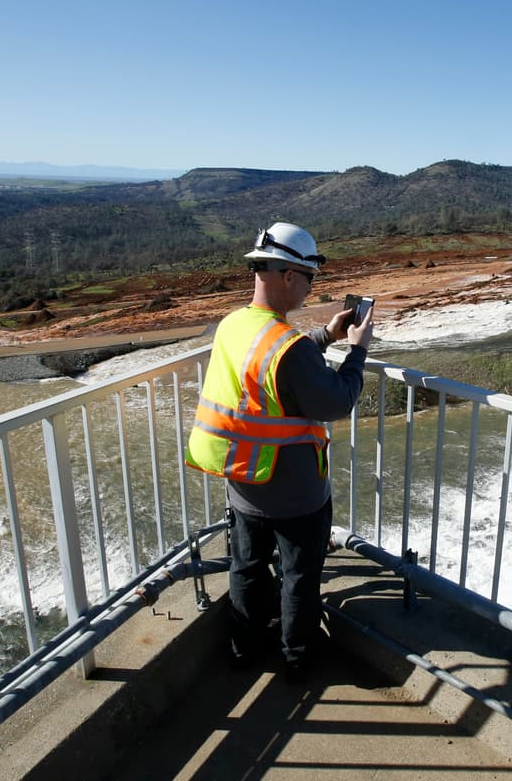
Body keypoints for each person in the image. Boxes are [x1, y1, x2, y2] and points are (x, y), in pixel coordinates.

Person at [185, 221, 373, 682]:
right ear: (289, 276)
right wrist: (357, 351)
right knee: (299, 577)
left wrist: (325, 336)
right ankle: (297, 659)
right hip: (295, 492)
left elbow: (268, 365)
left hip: (244, 479)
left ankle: (243, 649)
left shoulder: (234, 325)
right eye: (310, 278)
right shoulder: (288, 347)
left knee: (247, 568)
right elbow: (334, 400)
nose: (311, 289)